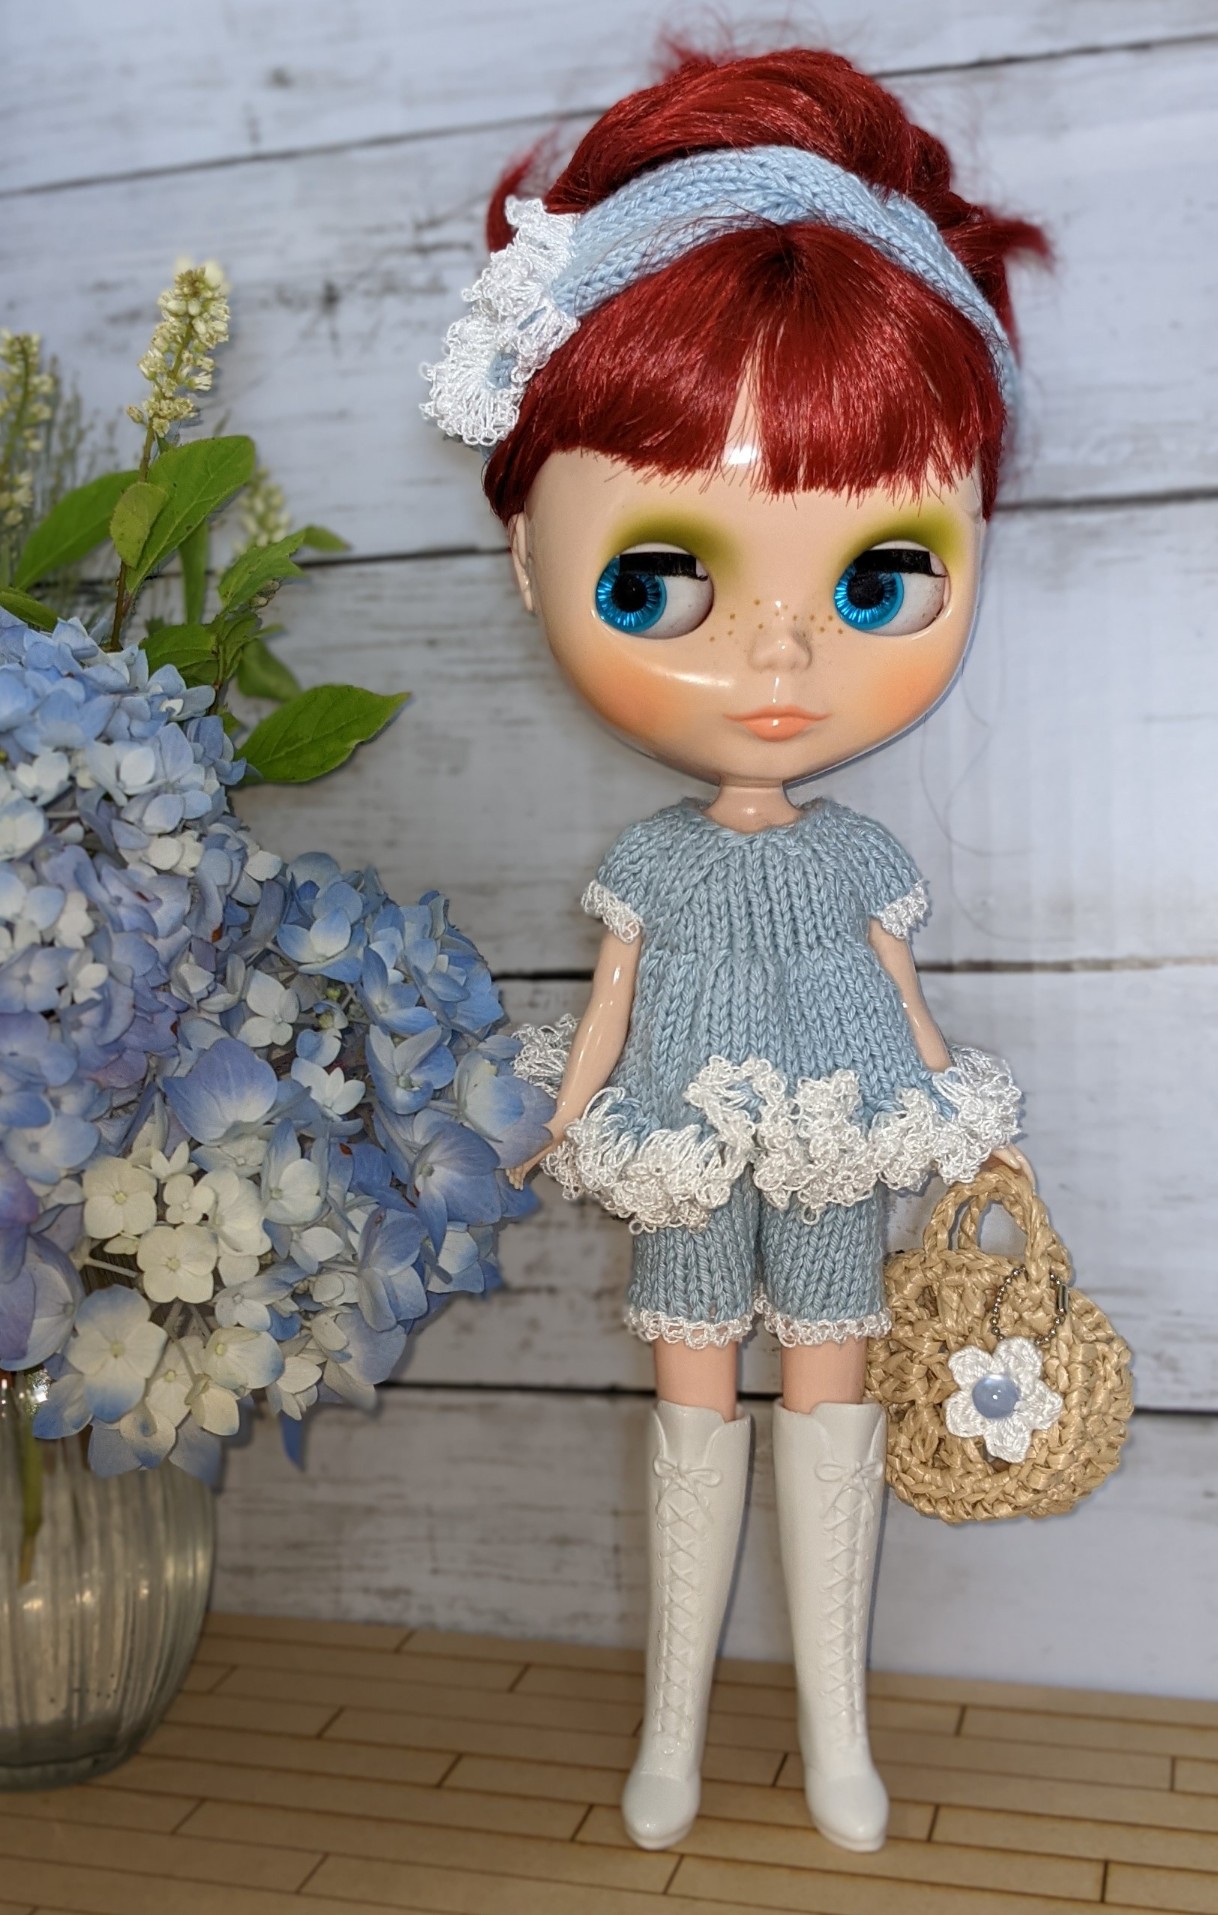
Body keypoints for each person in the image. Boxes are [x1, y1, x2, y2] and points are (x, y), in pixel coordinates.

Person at [422, 42, 1045, 1856]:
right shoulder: (646, 863)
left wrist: (962, 1117)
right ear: (528, 562)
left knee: (828, 1395)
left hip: (840, 1133)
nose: (777, 662)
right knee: (692, 1404)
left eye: (876, 580)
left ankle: (839, 1733)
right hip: (687, 1144)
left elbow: (901, 997)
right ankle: (673, 1735)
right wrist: (553, 1123)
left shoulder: (856, 854)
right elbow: (608, 1008)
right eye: (659, 581)